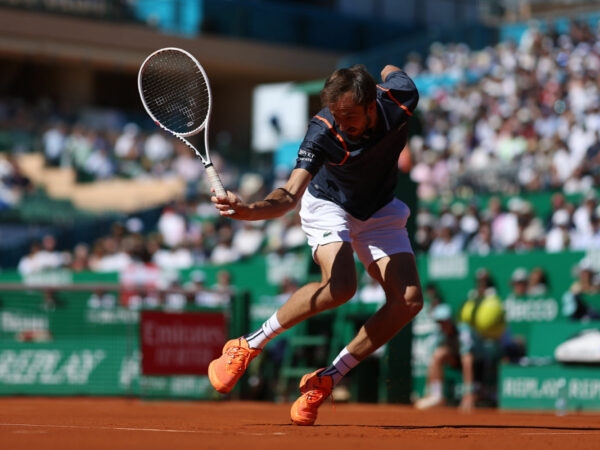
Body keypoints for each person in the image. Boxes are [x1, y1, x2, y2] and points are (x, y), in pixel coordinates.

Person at [209, 64, 422, 425]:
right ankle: (247, 345)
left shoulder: (401, 98)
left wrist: (387, 70)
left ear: (373, 105)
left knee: (409, 300)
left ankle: (327, 380)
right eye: (337, 116)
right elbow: (290, 194)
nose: (342, 124)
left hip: (380, 207)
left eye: (350, 116)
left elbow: (393, 72)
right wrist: (250, 210)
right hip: (329, 203)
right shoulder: (322, 132)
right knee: (340, 287)